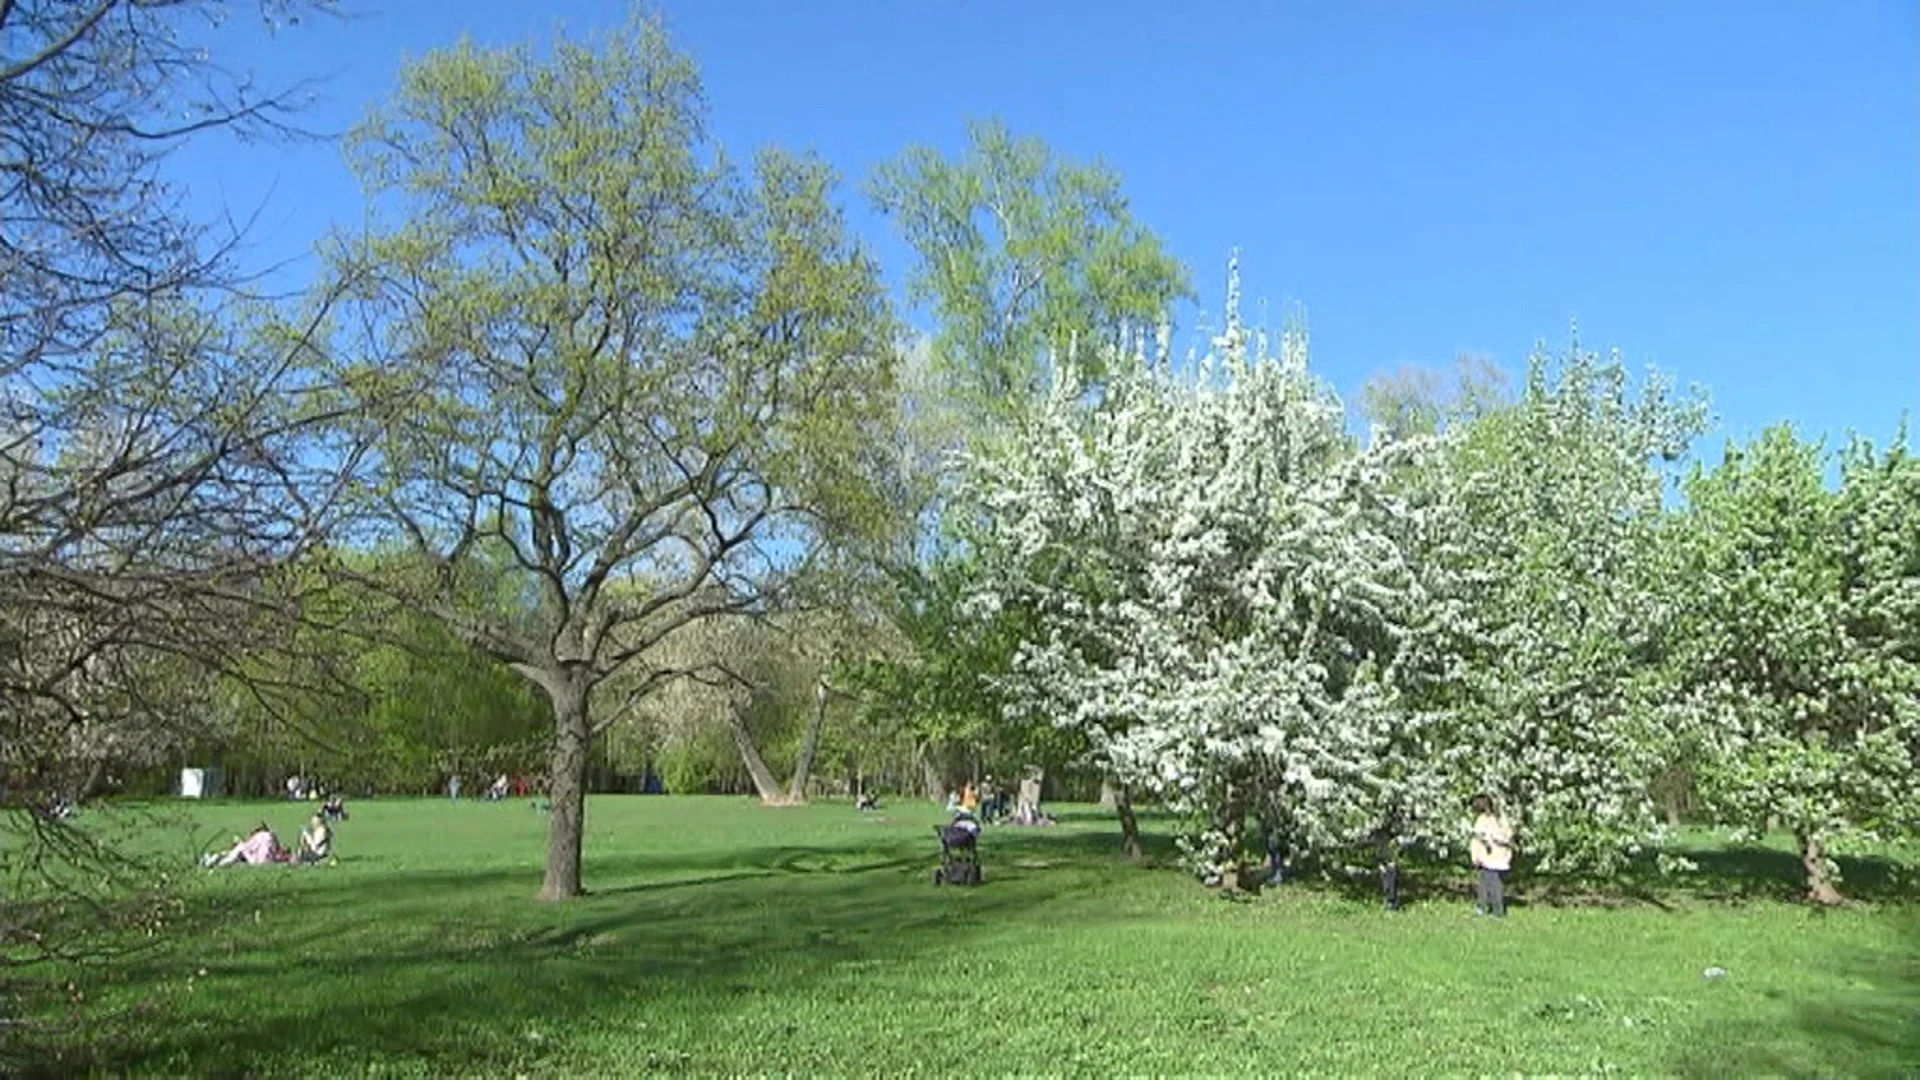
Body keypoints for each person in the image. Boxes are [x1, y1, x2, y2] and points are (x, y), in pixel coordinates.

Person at [1469, 794, 1515, 916]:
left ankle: (1497, 909)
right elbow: (1507, 835)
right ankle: (1482, 905)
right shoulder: (1499, 818)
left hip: (1490, 856)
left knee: (1493, 883)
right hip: (1499, 856)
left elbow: (1479, 839)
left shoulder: (1483, 820)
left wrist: (1476, 856)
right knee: (1485, 882)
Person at [209, 822, 285, 867]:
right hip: (270, 862)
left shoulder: (259, 836)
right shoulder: (272, 836)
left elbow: (247, 847)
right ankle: (222, 858)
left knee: (240, 847)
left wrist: (238, 842)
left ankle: (221, 863)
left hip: (257, 862)